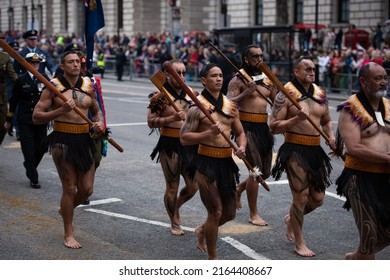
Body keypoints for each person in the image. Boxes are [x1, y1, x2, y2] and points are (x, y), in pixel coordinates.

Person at [32, 51, 105, 249]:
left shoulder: (89, 86)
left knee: (87, 189)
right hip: (62, 140)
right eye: (70, 62)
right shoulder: (52, 87)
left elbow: (98, 113)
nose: (75, 65)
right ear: (62, 66)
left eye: (77, 62)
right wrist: (60, 111)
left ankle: (66, 209)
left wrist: (100, 124)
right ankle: (68, 232)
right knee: (69, 187)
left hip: (85, 139)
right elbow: (37, 116)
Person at [269, 56, 336, 257]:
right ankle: (300, 242)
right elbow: (273, 126)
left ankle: (291, 219)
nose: (311, 71)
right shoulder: (286, 94)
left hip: (315, 150)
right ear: (296, 72)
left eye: (313, 68)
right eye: (307, 68)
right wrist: (296, 119)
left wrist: (330, 135)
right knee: (301, 197)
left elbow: (326, 120)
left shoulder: (320, 92)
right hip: (294, 149)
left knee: (317, 199)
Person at [180, 63, 247, 259]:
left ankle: (202, 230)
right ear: (203, 80)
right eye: (214, 76)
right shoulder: (196, 107)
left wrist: (241, 146)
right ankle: (212, 257)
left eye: (220, 76)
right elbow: (184, 138)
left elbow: (240, 132)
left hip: (226, 162)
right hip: (205, 163)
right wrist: (208, 132)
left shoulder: (230, 106)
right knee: (215, 211)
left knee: (230, 213)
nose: (219, 79)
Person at [335, 62, 390, 260]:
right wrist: (386, 158)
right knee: (369, 238)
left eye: (385, 77)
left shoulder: (388, 105)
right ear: (363, 82)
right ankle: (362, 256)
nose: (383, 82)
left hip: (386, 179)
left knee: (384, 236)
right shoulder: (351, 108)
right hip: (361, 179)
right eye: (378, 79)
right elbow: (354, 148)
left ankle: (357, 257)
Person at [226, 44, 276, 226]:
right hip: (246, 127)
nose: (259, 60)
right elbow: (227, 102)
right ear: (246, 59)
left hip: (264, 128)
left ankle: (239, 189)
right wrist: (245, 93)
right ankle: (253, 214)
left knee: (266, 172)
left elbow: (276, 102)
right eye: (255, 57)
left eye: (261, 56)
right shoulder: (237, 79)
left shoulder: (267, 78)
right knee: (255, 172)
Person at [147, 59, 198, 236]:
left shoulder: (192, 94)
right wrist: (171, 119)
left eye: (184, 72)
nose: (181, 76)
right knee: (172, 186)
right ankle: (173, 221)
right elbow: (151, 122)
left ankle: (176, 206)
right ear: (168, 74)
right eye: (177, 73)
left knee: (193, 187)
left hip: (189, 145)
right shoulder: (159, 95)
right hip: (169, 144)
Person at [4, 53, 50, 188]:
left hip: (41, 119)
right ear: (27, 64)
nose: (35, 65)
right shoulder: (21, 80)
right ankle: (33, 178)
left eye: (37, 63)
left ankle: (30, 165)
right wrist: (9, 119)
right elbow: (14, 100)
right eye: (32, 63)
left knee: (42, 147)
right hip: (26, 119)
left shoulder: (44, 79)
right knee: (28, 150)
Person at [0, 49, 18, 146]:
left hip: (1, 96)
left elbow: (13, 75)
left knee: (3, 127)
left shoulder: (5, 57)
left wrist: (24, 83)